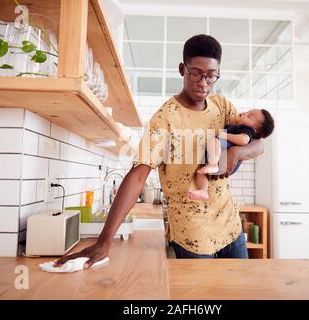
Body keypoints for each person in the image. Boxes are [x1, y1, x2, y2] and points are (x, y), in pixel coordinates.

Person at [54, 34, 264, 266]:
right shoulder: (164, 119)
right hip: (192, 234)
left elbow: (258, 142)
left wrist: (237, 152)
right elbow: (138, 176)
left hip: (230, 227)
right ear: (182, 69)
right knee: (198, 300)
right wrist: (104, 241)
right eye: (195, 73)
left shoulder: (222, 106)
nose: (203, 83)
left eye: (211, 76)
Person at [188, 109, 274, 200]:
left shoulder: (246, 129)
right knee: (200, 172)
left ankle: (212, 165)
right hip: (215, 157)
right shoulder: (237, 127)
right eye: (247, 111)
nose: (245, 112)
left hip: (223, 157)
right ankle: (203, 190)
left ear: (255, 129)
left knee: (214, 141)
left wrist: (233, 149)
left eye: (249, 116)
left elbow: (247, 141)